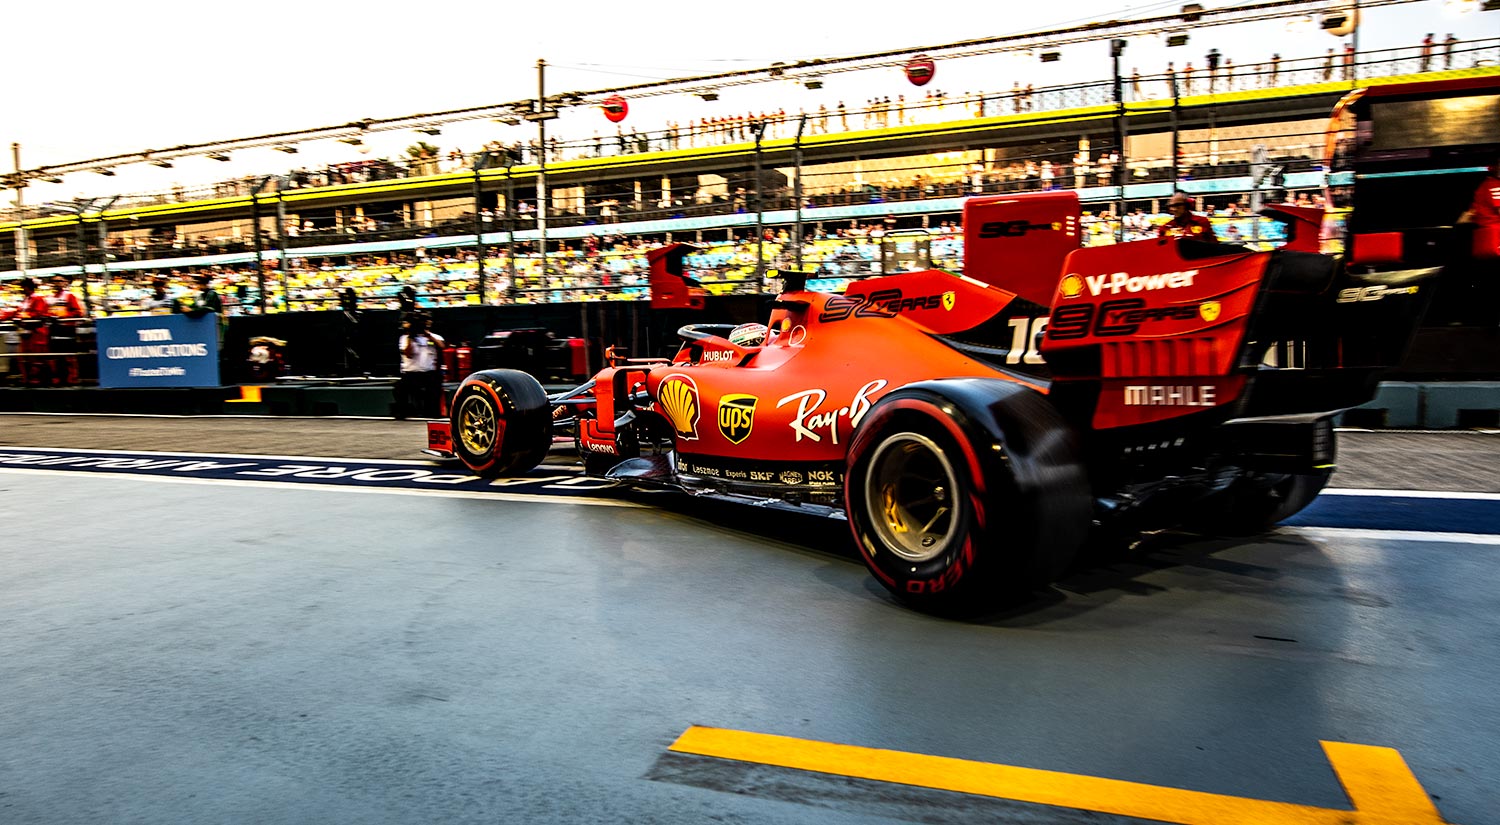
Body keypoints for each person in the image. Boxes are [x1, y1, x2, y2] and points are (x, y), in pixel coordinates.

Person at [0, 278, 53, 386]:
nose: (21, 289)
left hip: (37, 333)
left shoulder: (37, 298)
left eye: (23, 287)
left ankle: (37, 379)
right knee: (25, 357)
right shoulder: (26, 299)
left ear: (28, 287)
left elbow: (38, 313)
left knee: (36, 357)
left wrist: (22, 316)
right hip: (27, 333)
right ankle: (27, 379)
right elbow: (19, 312)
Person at [396, 311, 445, 420]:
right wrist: (411, 337)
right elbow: (408, 354)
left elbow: (442, 346)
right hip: (410, 373)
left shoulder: (435, 337)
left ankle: (433, 413)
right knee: (399, 387)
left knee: (435, 384)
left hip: (429, 373)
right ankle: (402, 413)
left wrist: (428, 336)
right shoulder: (405, 338)